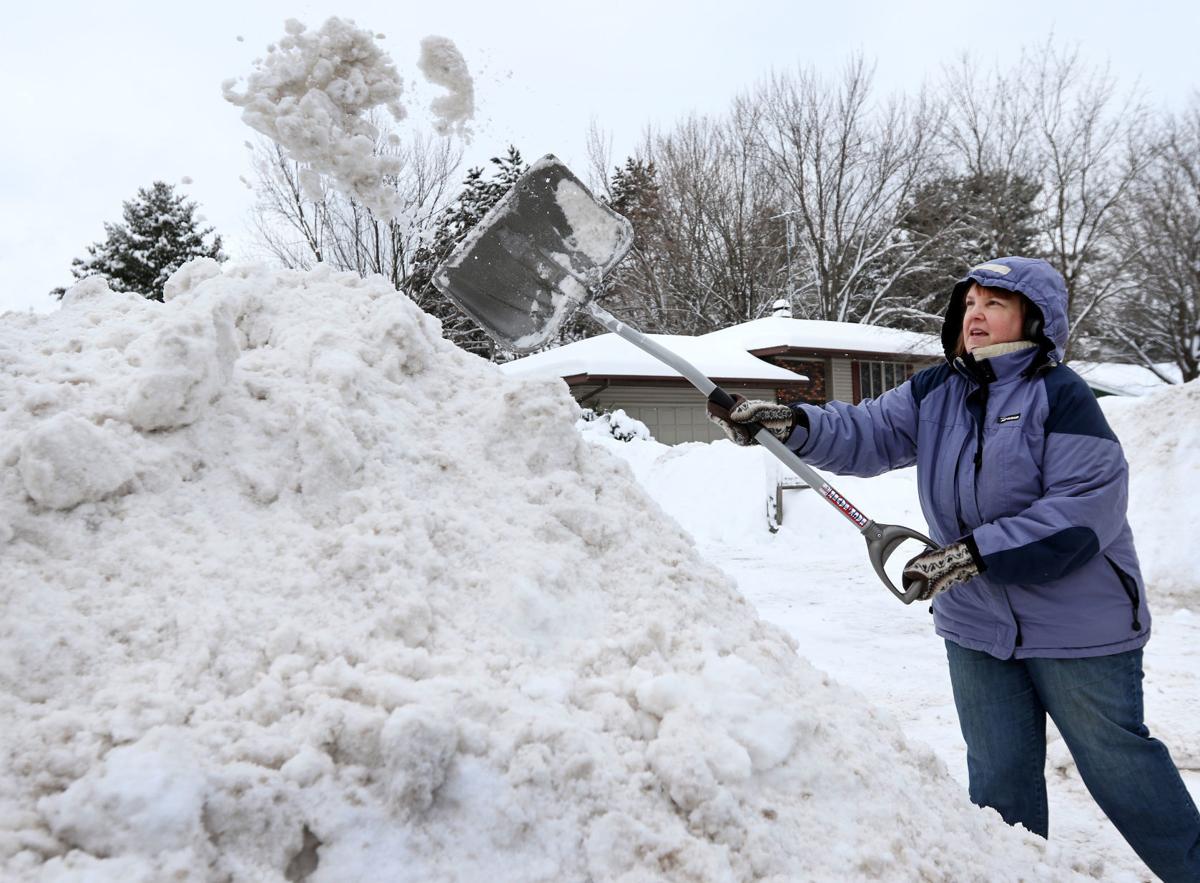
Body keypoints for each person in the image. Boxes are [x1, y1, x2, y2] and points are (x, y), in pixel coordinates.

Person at [708, 256, 1200, 881]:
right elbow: (865, 432)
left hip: (1079, 624)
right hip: (974, 621)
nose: (975, 314)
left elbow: (1083, 511)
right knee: (998, 781)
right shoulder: (938, 389)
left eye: (994, 303)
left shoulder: (1061, 395)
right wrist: (794, 423)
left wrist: (971, 553)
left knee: (1119, 766)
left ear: (1033, 317)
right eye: (969, 303)